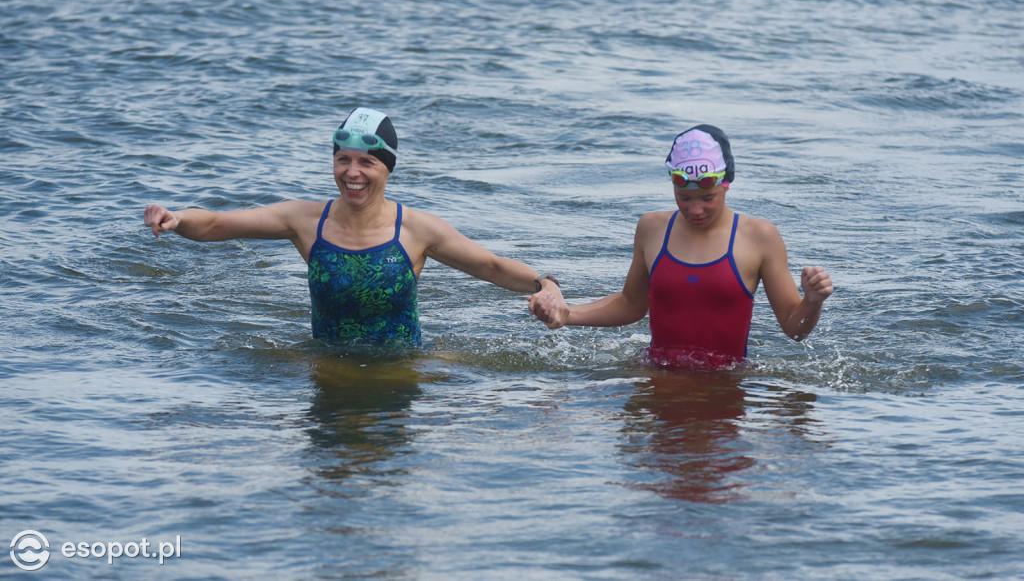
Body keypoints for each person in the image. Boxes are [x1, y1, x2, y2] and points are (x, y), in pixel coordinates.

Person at [144, 107, 567, 346]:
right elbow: (218, 224)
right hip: (328, 370)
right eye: (342, 159)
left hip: (401, 374)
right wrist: (178, 219)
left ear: (387, 169)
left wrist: (544, 284)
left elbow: (490, 267)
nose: (353, 172)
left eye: (367, 162)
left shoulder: (416, 230)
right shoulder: (306, 221)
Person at [528, 124, 833, 369]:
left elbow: (795, 329)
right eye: (684, 198)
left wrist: (812, 300)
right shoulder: (652, 228)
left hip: (722, 389)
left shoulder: (759, 236)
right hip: (656, 376)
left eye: (707, 198)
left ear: (726, 183)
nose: (695, 210)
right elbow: (631, 304)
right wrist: (568, 314)